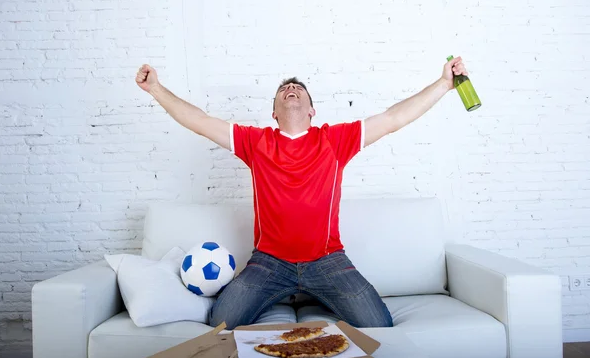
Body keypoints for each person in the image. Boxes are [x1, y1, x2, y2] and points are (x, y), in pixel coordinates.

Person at [136, 57, 470, 329]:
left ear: (312, 110)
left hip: (327, 262)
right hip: (269, 264)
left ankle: (311, 293)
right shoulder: (256, 142)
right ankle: (292, 293)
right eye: (284, 89)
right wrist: (156, 89)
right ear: (274, 112)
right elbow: (200, 120)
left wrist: (444, 84)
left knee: (378, 324)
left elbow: (394, 117)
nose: (291, 89)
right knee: (221, 321)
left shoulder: (335, 140)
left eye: (298, 89)